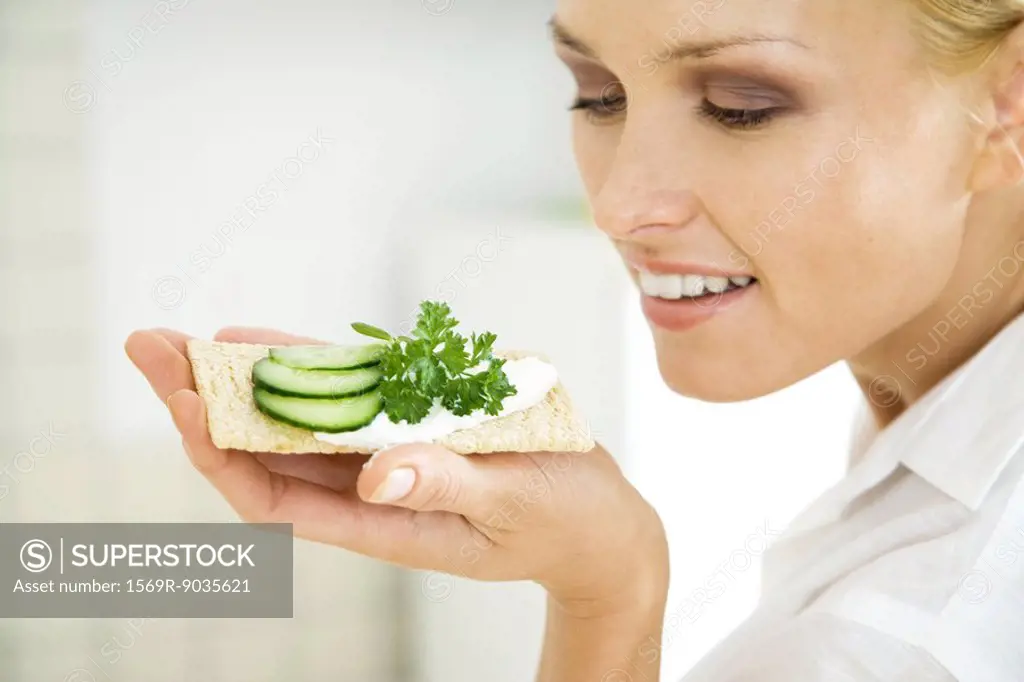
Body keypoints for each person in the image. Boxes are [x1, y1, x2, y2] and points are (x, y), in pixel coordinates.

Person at [125, 0, 1024, 679]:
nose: (619, 205)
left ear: (1008, 105)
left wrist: (608, 602)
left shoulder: (903, 639)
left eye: (739, 106)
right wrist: (609, 566)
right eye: (598, 96)